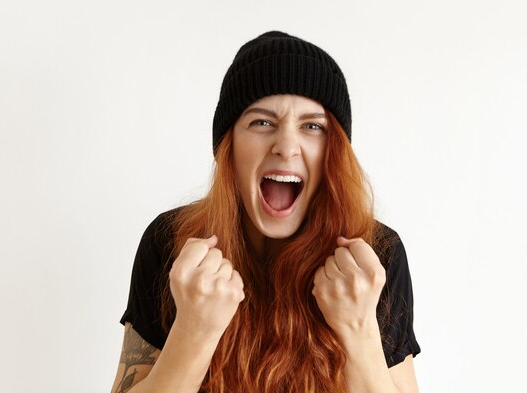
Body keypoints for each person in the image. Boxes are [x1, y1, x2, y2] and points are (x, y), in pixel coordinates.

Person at [110, 31, 421, 393]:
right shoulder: (170, 242)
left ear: (335, 153)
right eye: (262, 122)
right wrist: (193, 332)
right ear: (229, 147)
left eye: (312, 126)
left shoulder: (375, 256)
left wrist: (357, 329)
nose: (287, 147)